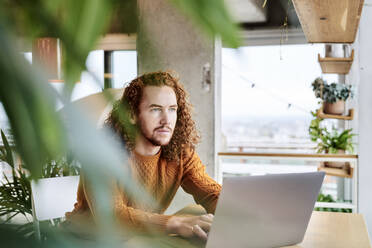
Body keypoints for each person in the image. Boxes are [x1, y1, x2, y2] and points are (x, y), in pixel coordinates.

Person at [66, 71, 221, 244]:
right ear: (131, 115)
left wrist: (235, 214)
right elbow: (111, 215)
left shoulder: (180, 153)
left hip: (136, 240)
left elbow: (212, 194)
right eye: (155, 109)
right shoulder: (102, 154)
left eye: (172, 109)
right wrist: (175, 222)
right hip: (83, 241)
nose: (166, 120)